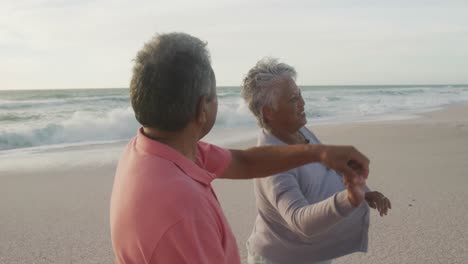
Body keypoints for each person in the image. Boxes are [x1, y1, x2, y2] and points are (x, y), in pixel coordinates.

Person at [110, 33, 370, 264]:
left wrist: (319, 153)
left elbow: (245, 162)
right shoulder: (183, 210)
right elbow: (298, 219)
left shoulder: (155, 150)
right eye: (216, 96)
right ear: (203, 109)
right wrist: (346, 198)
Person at [241, 57, 392, 264]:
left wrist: (366, 193)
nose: (303, 103)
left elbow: (330, 169)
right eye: (293, 99)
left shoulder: (299, 131)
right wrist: (349, 199)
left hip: (310, 253)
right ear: (269, 111)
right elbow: (299, 221)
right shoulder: (272, 163)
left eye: (300, 94)